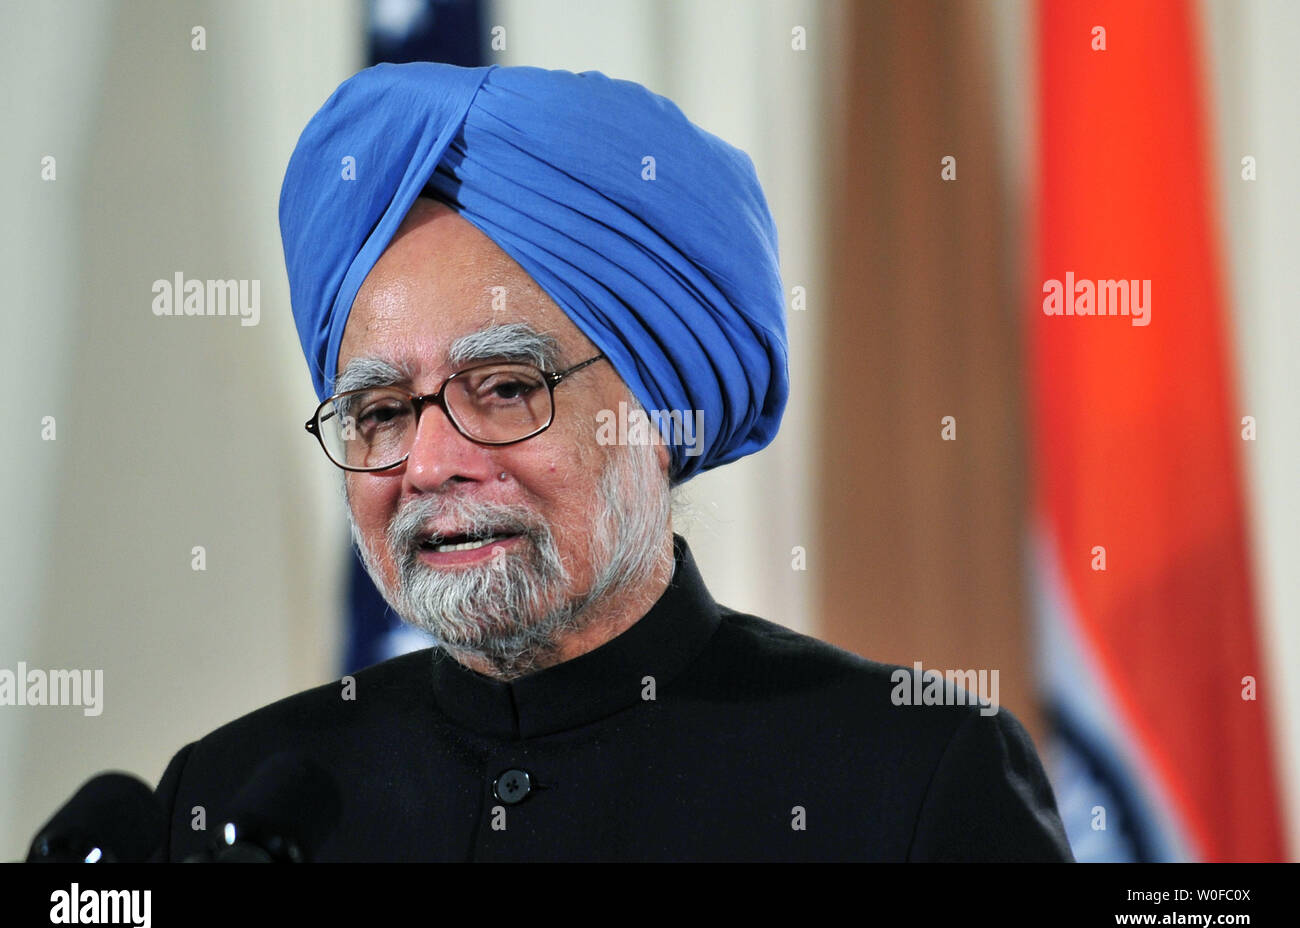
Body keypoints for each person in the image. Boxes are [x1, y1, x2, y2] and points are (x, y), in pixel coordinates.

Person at [154, 62, 1073, 861]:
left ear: (661, 413)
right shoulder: (231, 797)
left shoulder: (913, 778)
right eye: (383, 411)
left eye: (507, 387)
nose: (429, 463)